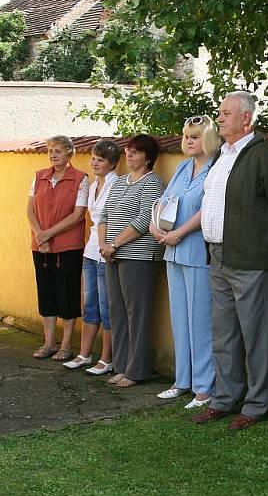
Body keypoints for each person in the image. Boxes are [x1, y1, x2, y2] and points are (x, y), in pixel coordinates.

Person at [192, 91, 268, 431]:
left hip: (252, 259)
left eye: (226, 113)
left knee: (255, 335)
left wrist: (263, 239)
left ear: (246, 119)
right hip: (219, 256)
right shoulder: (222, 154)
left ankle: (257, 404)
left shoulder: (263, 155)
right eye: (220, 113)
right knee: (224, 333)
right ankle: (225, 398)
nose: (219, 118)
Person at [151, 116, 221, 409]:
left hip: (196, 251)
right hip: (173, 250)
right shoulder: (182, 166)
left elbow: (208, 209)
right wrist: (156, 228)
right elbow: (165, 200)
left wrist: (179, 233)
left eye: (195, 136)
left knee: (200, 321)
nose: (189, 141)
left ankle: (205, 388)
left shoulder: (216, 168)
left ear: (208, 138)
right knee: (180, 319)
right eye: (187, 136)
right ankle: (183, 381)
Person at [98, 134, 166, 388]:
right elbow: (104, 214)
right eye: (128, 151)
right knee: (117, 312)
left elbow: (143, 222)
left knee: (136, 313)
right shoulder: (119, 182)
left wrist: (115, 244)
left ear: (147, 157)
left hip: (137, 256)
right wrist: (104, 245)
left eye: (135, 152)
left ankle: (137, 371)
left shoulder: (152, 183)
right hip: (112, 254)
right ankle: (121, 365)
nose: (129, 155)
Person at [27, 135, 88, 362]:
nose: (53, 155)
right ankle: (49, 343)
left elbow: (78, 214)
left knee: (68, 293)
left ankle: (66, 345)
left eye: (58, 151)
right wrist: (39, 235)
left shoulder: (80, 179)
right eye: (50, 151)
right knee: (46, 293)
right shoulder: (39, 176)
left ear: (69, 154)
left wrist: (47, 234)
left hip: (68, 247)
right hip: (40, 246)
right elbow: (30, 211)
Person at [64, 140, 120, 374]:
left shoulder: (116, 184)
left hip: (106, 252)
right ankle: (84, 354)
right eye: (94, 158)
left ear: (112, 163)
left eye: (101, 160)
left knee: (106, 307)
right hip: (90, 250)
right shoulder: (92, 182)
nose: (95, 163)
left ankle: (107, 358)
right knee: (90, 305)